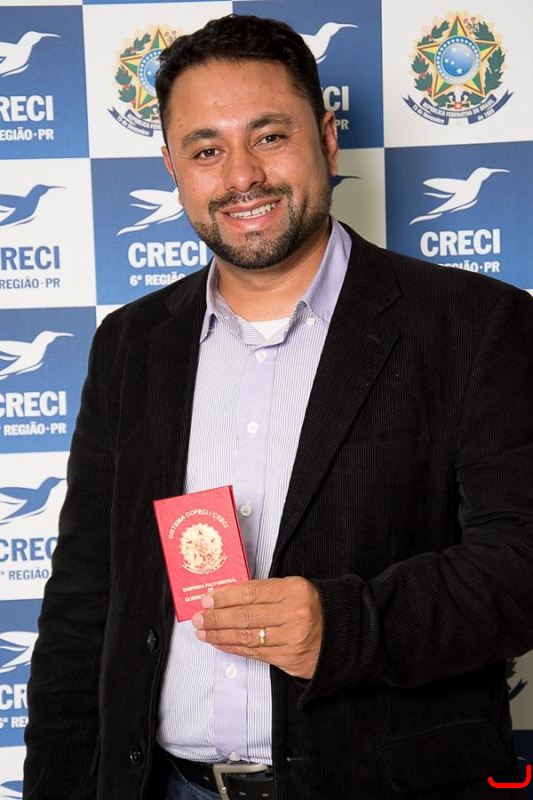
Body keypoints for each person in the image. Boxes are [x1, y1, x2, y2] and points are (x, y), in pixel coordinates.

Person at [23, 14, 533, 800]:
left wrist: (348, 625)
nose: (242, 176)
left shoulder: (474, 324)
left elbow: (520, 563)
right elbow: (85, 602)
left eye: (268, 136)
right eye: (206, 150)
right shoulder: (130, 343)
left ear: (326, 140)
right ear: (172, 168)